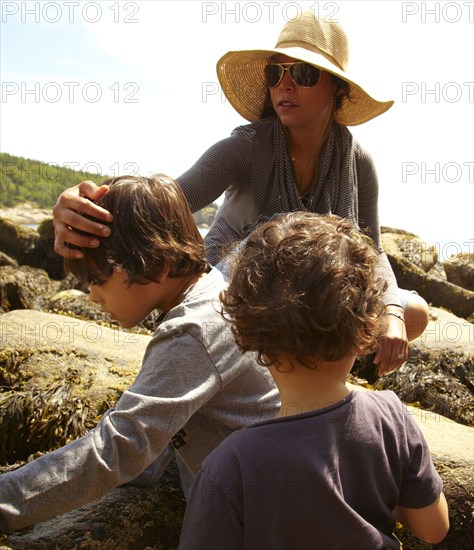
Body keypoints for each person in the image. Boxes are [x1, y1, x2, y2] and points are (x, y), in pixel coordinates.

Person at [51, 12, 429, 375]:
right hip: (233, 292)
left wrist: (392, 315)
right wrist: (83, 202)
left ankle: (311, 367)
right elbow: (159, 204)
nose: (285, 83)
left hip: (310, 292)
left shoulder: (356, 161)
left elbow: (372, 251)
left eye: (302, 72)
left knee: (414, 313)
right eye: (275, 72)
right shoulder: (246, 148)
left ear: (338, 88)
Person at [0, 174, 279, 535]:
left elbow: (120, 448)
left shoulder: (194, 331)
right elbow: (163, 424)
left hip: (253, 523)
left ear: (157, 263)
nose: (92, 298)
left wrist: (6, 502)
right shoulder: (212, 295)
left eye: (98, 280)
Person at [178, 212, 449, 550]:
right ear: (366, 328)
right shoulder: (391, 417)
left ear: (246, 332)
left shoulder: (229, 464)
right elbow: (433, 528)